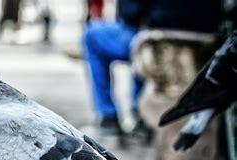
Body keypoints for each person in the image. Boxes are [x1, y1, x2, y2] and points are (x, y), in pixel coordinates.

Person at [83, 0, 223, 136]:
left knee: (92, 36)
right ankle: (137, 113)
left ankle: (108, 116)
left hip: (159, 41)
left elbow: (131, 15)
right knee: (141, 33)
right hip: (206, 41)